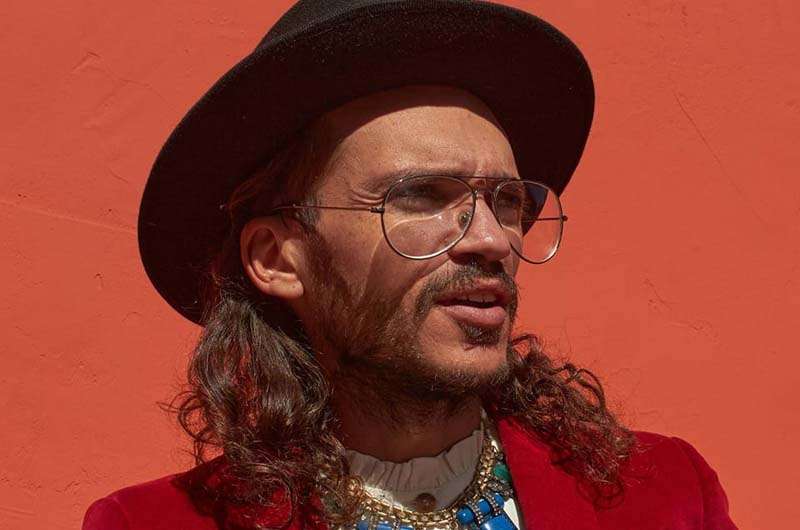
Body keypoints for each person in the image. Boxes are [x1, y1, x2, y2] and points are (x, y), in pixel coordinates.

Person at [82, 1, 738, 529]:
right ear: (278, 258)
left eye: (508, 202)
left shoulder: (664, 498)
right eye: (421, 196)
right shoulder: (148, 524)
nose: (493, 240)